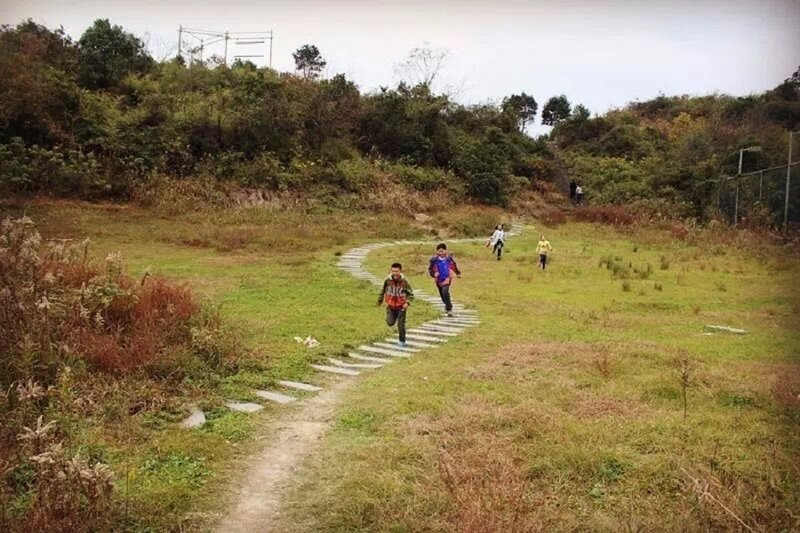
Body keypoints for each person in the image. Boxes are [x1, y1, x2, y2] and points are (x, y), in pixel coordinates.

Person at [377, 262, 414, 347]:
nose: (395, 273)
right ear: (391, 271)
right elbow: (382, 290)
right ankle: (393, 317)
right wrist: (380, 301)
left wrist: (407, 303)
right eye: (393, 271)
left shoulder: (404, 282)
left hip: (401, 306)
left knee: (400, 324)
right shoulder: (387, 280)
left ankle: (402, 341)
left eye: (396, 271)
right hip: (390, 306)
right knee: (390, 322)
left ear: (400, 271)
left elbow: (411, 294)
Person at [428, 243, 461, 317]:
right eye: (439, 251)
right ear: (437, 252)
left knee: (445, 292)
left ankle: (449, 309)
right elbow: (430, 270)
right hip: (438, 280)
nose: (441, 253)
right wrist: (434, 274)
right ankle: (447, 305)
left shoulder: (448, 259)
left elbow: (454, 266)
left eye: (442, 251)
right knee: (442, 295)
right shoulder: (434, 260)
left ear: (445, 251)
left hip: (447, 278)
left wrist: (457, 273)